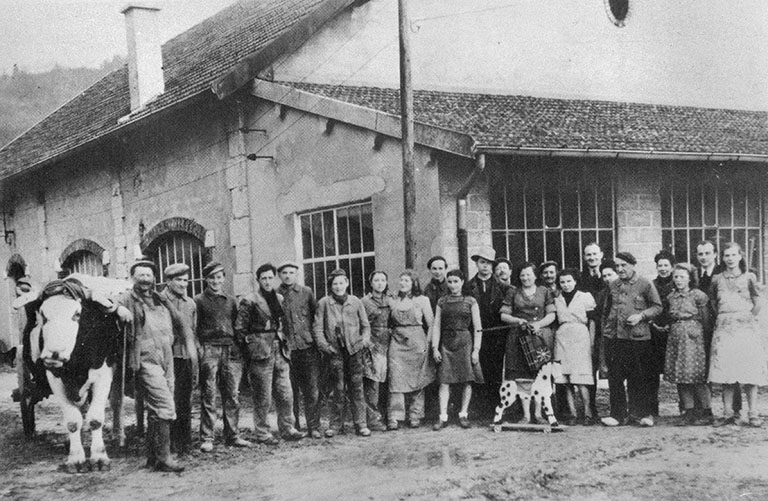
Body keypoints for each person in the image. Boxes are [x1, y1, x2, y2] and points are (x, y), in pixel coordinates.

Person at [118, 259, 195, 472]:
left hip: (166, 356)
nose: (145, 279)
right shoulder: (127, 298)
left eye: (148, 275)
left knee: (157, 409)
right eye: (140, 275)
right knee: (166, 406)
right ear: (133, 278)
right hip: (145, 358)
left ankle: (152, 458)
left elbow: (180, 322)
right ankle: (165, 458)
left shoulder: (159, 298)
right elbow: (110, 306)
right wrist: (119, 310)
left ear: (154, 278)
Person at [236, 263, 304, 444]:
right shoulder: (249, 300)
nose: (267, 281)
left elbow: (282, 324)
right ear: (257, 280)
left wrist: (284, 342)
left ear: (274, 279)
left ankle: (287, 427)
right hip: (260, 353)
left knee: (285, 392)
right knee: (263, 395)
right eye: (263, 278)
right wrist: (250, 351)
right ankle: (262, 432)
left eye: (270, 278)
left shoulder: (279, 298)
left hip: (279, 350)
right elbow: (240, 330)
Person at [708, 242, 767, 427]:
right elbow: (712, 303)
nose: (730, 259)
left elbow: (757, 301)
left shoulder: (749, 277)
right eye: (726, 255)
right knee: (727, 370)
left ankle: (753, 413)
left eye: (734, 255)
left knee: (748, 371)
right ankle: (727, 413)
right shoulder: (717, 279)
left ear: (740, 256)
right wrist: (727, 317)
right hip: (725, 328)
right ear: (722, 258)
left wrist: (747, 317)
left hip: (746, 329)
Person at [600, 252, 662, 427]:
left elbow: (657, 307)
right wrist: (607, 333)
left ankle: (641, 414)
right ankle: (617, 415)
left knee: (639, 377)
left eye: (623, 265)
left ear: (633, 265)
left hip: (638, 338)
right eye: (617, 266)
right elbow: (606, 311)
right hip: (615, 337)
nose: (620, 269)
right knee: (615, 377)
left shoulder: (645, 283)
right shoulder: (613, 285)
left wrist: (641, 316)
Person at [196, 261, 252, 451]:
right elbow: (195, 328)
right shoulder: (199, 301)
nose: (215, 281)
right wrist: (201, 349)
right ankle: (207, 437)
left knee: (232, 394)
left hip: (230, 349)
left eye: (219, 277)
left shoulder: (231, 301)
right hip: (209, 349)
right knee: (209, 394)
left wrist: (239, 348)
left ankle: (233, 435)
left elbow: (237, 326)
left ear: (224, 279)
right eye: (212, 277)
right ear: (206, 279)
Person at [313, 268, 372, 437]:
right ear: (330, 286)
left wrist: (363, 341)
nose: (338, 286)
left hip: (354, 351)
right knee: (337, 389)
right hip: (335, 353)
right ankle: (336, 425)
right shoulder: (324, 303)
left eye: (341, 283)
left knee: (357, 387)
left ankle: (361, 424)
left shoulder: (355, 302)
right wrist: (326, 347)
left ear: (347, 283)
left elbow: (365, 325)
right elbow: (317, 329)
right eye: (334, 284)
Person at [499, 261, 556, 423]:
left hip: (539, 337)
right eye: (522, 275)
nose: (525, 278)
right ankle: (526, 414)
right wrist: (517, 321)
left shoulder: (544, 291)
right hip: (518, 338)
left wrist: (538, 324)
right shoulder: (513, 292)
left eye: (529, 274)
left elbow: (552, 314)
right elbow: (503, 315)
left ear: (535, 275)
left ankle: (538, 414)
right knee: (522, 377)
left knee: (539, 375)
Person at [431, 269, 482, 430]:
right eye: (450, 281)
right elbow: (437, 325)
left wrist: (476, 350)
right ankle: (443, 416)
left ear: (462, 282)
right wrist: (435, 348)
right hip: (446, 343)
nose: (453, 285)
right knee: (444, 381)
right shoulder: (442, 301)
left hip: (465, 341)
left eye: (456, 281)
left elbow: (478, 327)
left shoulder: (470, 301)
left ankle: (463, 414)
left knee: (467, 379)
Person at [695, 240, 739, 418]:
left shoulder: (723, 274)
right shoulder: (694, 275)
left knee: (729, 367)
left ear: (715, 255)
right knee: (700, 369)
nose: (704, 257)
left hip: (723, 328)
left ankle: (734, 410)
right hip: (700, 329)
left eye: (707, 253)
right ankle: (703, 409)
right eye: (700, 254)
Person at [277, 262, 321, 439]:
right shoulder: (275, 295)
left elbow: (315, 317)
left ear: (296, 274)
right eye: (284, 273)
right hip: (286, 351)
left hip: (306, 348)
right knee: (290, 391)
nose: (288, 276)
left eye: (291, 273)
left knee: (311, 390)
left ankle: (314, 427)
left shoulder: (306, 292)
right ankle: (294, 427)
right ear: (279, 275)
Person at [664, 263, 712, 425]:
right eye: (676, 277)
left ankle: (706, 411)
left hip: (694, 340)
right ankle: (688, 411)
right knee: (681, 376)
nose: (678, 280)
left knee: (697, 376)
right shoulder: (671, 297)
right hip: (676, 339)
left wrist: (703, 338)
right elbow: (669, 317)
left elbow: (705, 320)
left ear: (690, 278)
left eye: (682, 277)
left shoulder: (698, 295)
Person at [387, 270, 435, 429]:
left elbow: (432, 324)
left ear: (414, 283)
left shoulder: (422, 300)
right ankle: (395, 416)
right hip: (397, 342)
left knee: (418, 378)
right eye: (401, 280)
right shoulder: (393, 300)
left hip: (417, 343)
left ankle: (416, 414)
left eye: (406, 280)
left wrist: (427, 344)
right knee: (396, 378)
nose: (402, 283)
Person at [160, 263, 198, 454]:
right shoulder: (158, 300)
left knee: (184, 399)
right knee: (168, 399)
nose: (184, 284)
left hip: (184, 356)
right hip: (165, 357)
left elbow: (192, 331)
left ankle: (185, 441)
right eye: (179, 280)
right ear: (168, 281)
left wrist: (193, 357)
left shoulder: (190, 303)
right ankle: (169, 442)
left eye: (186, 280)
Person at [553, 269, 597, 425]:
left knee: (581, 378)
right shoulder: (557, 299)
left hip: (580, 336)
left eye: (569, 281)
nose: (566, 285)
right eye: (563, 282)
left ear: (575, 281)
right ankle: (572, 413)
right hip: (563, 337)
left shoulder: (585, 297)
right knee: (565, 379)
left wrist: (591, 342)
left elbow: (592, 321)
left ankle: (587, 412)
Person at [467, 247, 506, 417]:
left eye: (489, 263)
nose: (485, 267)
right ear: (476, 264)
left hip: (496, 335)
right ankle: (478, 408)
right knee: (476, 370)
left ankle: (495, 408)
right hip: (475, 334)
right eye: (482, 262)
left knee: (495, 371)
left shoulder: (503, 287)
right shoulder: (467, 287)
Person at [361, 270, 391, 432]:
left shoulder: (390, 300)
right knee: (372, 383)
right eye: (376, 280)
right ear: (371, 283)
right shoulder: (364, 302)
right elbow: (361, 324)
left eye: (383, 280)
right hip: (372, 346)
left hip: (389, 346)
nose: (380, 283)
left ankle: (387, 416)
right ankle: (372, 419)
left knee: (387, 383)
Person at [579, 242, 605, 420]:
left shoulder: (610, 274)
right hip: (588, 326)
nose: (592, 258)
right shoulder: (580, 278)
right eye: (588, 255)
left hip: (607, 326)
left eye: (595, 254)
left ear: (601, 255)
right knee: (589, 368)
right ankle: (590, 407)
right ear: (584, 257)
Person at [649, 250, 676, 416]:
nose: (663, 268)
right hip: (654, 333)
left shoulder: (678, 283)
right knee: (652, 372)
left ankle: (686, 407)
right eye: (660, 265)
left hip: (673, 332)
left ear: (672, 267)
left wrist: (669, 325)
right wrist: (653, 324)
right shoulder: (651, 285)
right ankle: (653, 408)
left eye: (666, 265)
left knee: (680, 370)